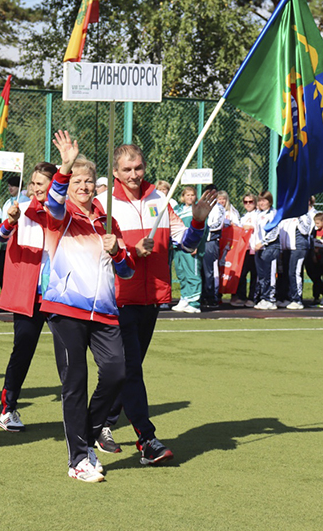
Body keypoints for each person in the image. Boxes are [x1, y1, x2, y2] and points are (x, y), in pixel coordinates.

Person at [96, 144, 212, 463]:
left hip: (152, 299)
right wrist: (132, 250)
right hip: (117, 299)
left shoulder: (161, 201)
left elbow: (186, 244)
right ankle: (147, 440)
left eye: (139, 167)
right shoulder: (103, 205)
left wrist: (198, 222)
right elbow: (100, 252)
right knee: (130, 369)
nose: (134, 175)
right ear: (116, 172)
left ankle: (102, 423)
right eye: (127, 169)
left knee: (126, 371)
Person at [41, 131, 134, 483]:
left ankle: (91, 428)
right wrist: (64, 167)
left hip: (105, 312)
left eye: (89, 181)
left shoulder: (107, 221)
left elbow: (126, 269)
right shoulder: (59, 215)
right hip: (66, 310)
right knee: (75, 382)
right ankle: (78, 458)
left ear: (97, 186)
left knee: (117, 372)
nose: (84, 185)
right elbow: (53, 199)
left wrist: (118, 251)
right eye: (77, 180)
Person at [0, 162, 57, 432]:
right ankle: (8, 408)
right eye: (32, 183)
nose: (35, 188)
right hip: (29, 295)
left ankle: (80, 414)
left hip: (60, 295)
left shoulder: (64, 212)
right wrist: (9, 220)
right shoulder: (20, 209)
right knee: (23, 350)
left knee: (71, 354)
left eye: (41, 183)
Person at [172, 186, 203, 314]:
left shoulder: (197, 210)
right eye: (187, 195)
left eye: (192, 195)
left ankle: (194, 303)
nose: (190, 197)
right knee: (181, 273)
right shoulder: (177, 210)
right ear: (183, 196)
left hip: (190, 247)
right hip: (178, 246)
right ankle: (185, 297)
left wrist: (196, 245)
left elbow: (202, 229)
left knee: (192, 273)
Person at [0, 176, 30, 291]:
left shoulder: (25, 200)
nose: (10, 188)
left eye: (13, 186)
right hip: (5, 241)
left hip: (18, 240)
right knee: (0, 267)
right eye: (9, 186)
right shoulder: (7, 202)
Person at [253, 191, 280, 310]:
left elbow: (274, 231)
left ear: (269, 201)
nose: (262, 203)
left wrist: (263, 243)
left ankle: (271, 299)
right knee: (262, 275)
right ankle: (264, 297)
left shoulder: (273, 214)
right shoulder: (258, 214)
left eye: (264, 200)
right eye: (260, 201)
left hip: (270, 247)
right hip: (259, 248)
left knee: (270, 274)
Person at [201, 183, 225, 309]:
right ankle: (201, 296)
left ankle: (211, 297)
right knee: (199, 270)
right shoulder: (201, 206)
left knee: (209, 270)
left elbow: (217, 225)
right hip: (200, 242)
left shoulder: (219, 208)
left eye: (214, 193)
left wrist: (204, 231)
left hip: (210, 242)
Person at [232, 193, 258, 307]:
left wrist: (252, 227)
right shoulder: (243, 217)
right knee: (241, 274)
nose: (248, 204)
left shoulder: (258, 215)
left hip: (255, 248)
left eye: (251, 201)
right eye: (246, 202)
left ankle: (252, 297)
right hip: (244, 249)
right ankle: (241, 296)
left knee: (255, 274)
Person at [284, 212, 312, 309]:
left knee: (295, 272)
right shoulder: (287, 214)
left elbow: (305, 230)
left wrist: (299, 218)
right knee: (289, 273)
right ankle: (289, 296)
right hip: (288, 247)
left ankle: (297, 299)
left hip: (299, 247)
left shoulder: (304, 215)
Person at [305, 212, 323, 305]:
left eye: (318, 223)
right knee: (315, 277)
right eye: (315, 223)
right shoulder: (314, 232)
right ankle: (316, 296)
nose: (316, 225)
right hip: (315, 258)